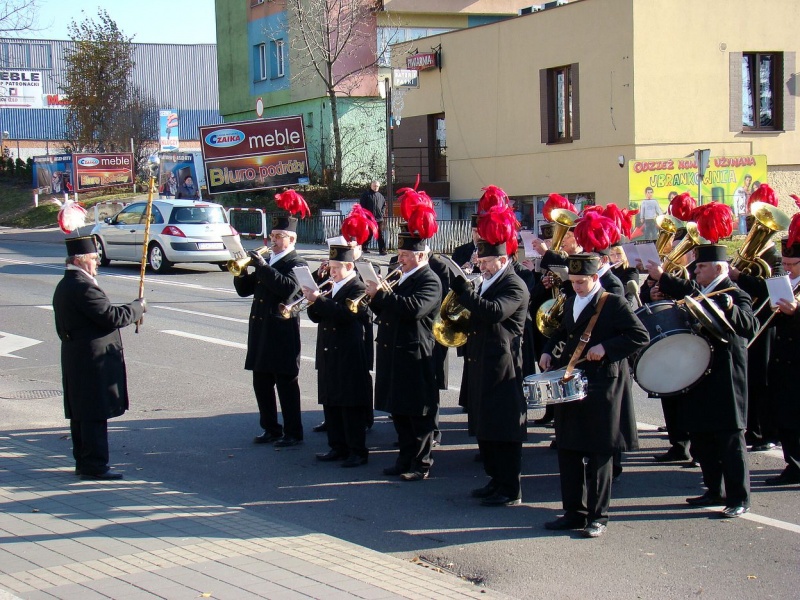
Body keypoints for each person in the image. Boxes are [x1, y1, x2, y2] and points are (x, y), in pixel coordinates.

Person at [540, 254, 649, 537]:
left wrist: (606, 348)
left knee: (599, 453)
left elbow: (639, 335)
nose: (576, 286)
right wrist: (548, 350)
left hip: (602, 385)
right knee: (568, 449)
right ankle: (573, 512)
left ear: (595, 278)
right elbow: (561, 331)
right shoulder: (571, 300)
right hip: (571, 381)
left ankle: (598, 517)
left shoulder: (613, 303)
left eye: (581, 282)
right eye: (573, 281)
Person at [647, 244, 758, 517]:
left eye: (701, 266)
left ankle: (739, 497)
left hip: (725, 375)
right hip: (696, 372)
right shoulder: (699, 292)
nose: (695, 271)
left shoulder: (735, 294)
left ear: (718, 268)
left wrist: (730, 309)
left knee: (729, 439)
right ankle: (713, 489)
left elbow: (750, 326)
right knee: (702, 435)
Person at [449, 214, 530, 506]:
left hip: (502, 365)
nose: (481, 266)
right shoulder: (487, 281)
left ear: (502, 259)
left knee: (503, 428)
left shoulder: (514, 285)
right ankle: (495, 479)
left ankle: (510, 488)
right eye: (480, 262)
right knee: (485, 425)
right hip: (481, 360)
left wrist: (465, 293)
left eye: (485, 262)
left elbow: (494, 312)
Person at [52, 236, 146, 480]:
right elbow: (111, 317)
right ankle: (94, 465)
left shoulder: (66, 284)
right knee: (93, 412)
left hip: (77, 357)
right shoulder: (83, 287)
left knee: (81, 413)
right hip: (91, 360)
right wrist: (137, 307)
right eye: (93, 259)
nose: (97, 263)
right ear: (79, 261)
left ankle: (84, 462)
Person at [368, 230, 441, 481]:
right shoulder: (401, 276)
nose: (400, 259)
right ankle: (404, 459)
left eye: (405, 255)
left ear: (420, 256)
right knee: (398, 409)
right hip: (393, 350)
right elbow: (385, 310)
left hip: (414, 352)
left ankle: (421, 464)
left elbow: (414, 309)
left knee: (417, 412)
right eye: (399, 254)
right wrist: (373, 297)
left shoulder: (429, 280)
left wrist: (383, 294)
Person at [234, 213, 308, 448]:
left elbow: (287, 288)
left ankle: (293, 432)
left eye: (279, 236)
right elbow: (244, 290)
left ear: (292, 239)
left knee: (286, 384)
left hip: (282, 332)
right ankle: (270, 428)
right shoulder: (270, 261)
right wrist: (241, 269)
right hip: (261, 330)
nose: (273, 239)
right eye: (273, 235)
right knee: (261, 382)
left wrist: (263, 267)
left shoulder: (297, 263)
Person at [304, 245, 372, 467]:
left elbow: (345, 315)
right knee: (331, 399)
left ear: (349, 266)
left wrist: (319, 300)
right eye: (330, 267)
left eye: (335, 268)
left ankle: (357, 451)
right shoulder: (331, 286)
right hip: (328, 350)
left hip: (348, 353)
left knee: (350, 403)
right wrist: (312, 301)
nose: (331, 272)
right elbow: (317, 317)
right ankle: (337, 446)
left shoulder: (358, 287)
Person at [763, 236, 800, 485]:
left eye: (792, 264)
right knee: (786, 417)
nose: (786, 268)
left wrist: (796, 312)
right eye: (784, 263)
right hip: (782, 359)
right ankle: (793, 464)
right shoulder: (787, 282)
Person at [359, 180, 387, 254]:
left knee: (379, 234)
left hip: (379, 219)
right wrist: (364, 215)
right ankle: (364, 247)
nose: (375, 187)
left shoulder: (381, 196)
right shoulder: (366, 195)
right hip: (369, 218)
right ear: (371, 186)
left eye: (377, 186)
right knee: (369, 233)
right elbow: (362, 206)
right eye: (374, 186)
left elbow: (384, 206)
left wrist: (382, 213)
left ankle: (382, 250)